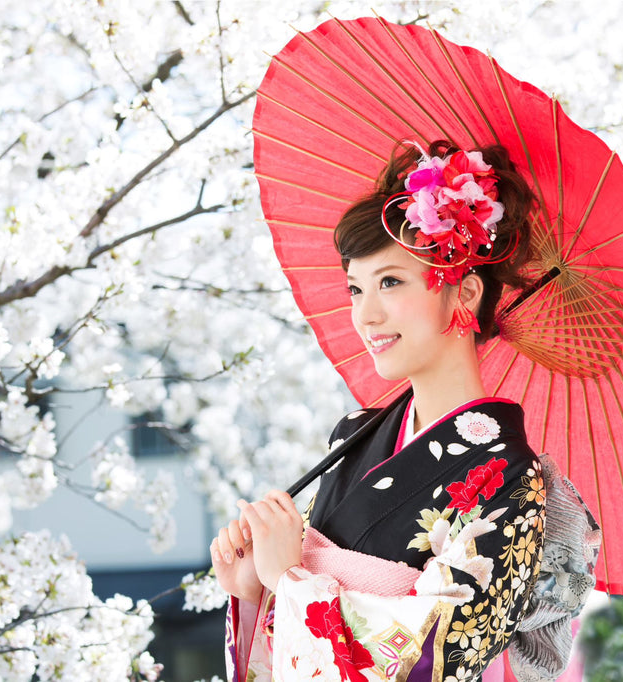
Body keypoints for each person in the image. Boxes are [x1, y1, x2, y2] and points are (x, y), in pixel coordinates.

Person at [211, 141, 599, 682]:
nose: (365, 314)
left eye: (390, 282)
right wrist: (252, 587)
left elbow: (443, 659)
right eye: (355, 288)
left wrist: (290, 581)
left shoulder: (513, 479)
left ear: (464, 293)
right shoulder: (356, 434)